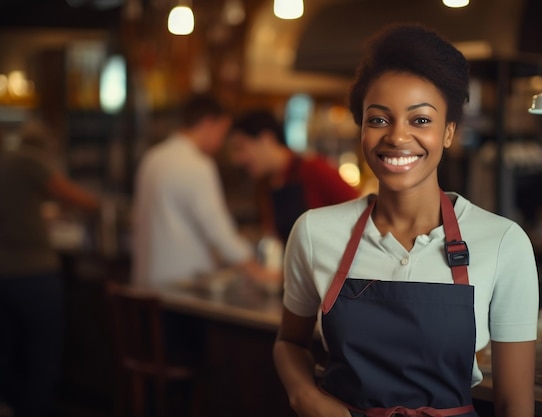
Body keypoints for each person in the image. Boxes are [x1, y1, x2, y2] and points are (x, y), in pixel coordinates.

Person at [273, 23, 539, 417]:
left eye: (420, 120)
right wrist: (304, 396)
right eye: (379, 119)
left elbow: (515, 403)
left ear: (448, 132)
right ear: (361, 129)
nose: (397, 137)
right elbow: (289, 343)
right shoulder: (315, 232)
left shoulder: (503, 242)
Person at [0, 119, 100, 417]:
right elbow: (82, 200)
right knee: (43, 357)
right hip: (33, 274)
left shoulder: (5, 163)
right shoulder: (30, 161)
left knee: (7, 354)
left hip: (2, 275)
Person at [131, 93, 279, 289]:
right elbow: (219, 231)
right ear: (209, 123)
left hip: (146, 284)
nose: (221, 143)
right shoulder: (197, 165)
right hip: (181, 287)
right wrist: (259, 274)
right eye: (222, 132)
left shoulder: (152, 157)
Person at [228, 109, 360, 244]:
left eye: (240, 148)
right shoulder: (265, 184)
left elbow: (360, 211)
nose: (237, 159)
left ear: (266, 139)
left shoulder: (313, 169)